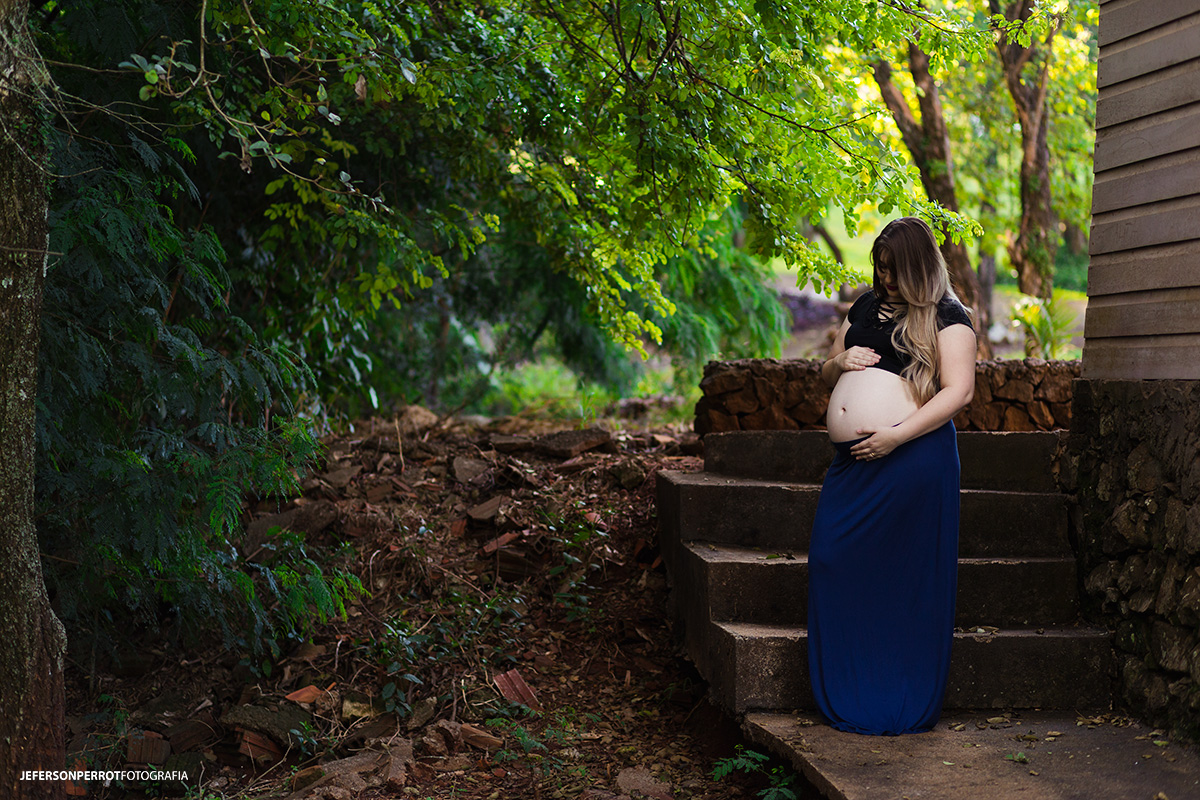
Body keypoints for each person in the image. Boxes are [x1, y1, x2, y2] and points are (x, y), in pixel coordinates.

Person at [806, 216, 976, 735]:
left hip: (913, 461)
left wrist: (896, 435)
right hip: (854, 465)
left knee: (903, 581)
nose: (884, 277)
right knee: (831, 559)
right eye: (879, 267)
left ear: (918, 266)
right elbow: (826, 371)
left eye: (893, 269)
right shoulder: (863, 306)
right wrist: (840, 363)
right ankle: (848, 686)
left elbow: (958, 392)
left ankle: (893, 695)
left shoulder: (949, 316)